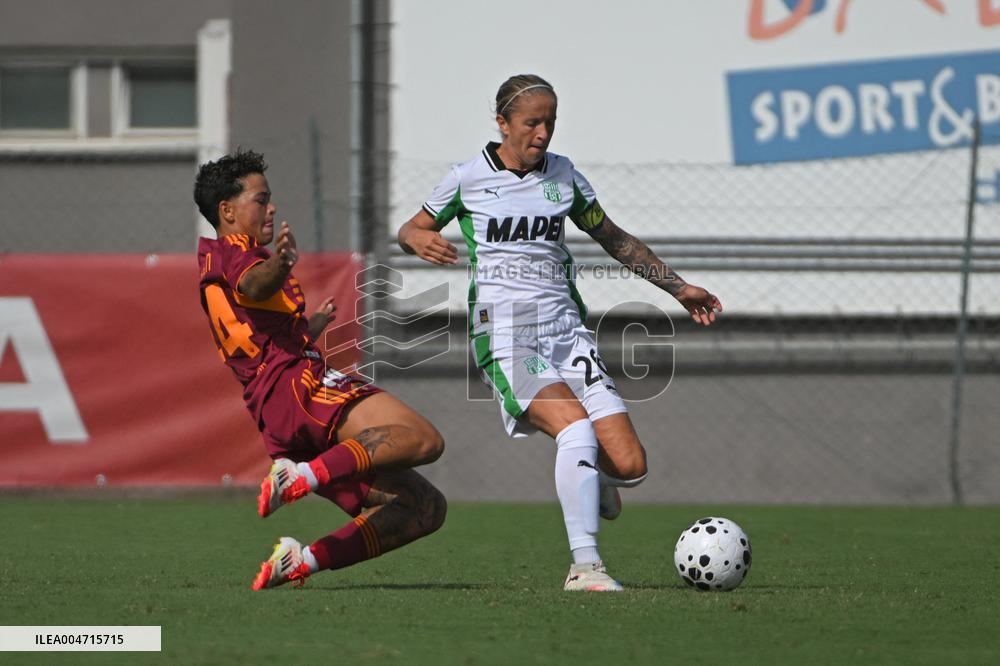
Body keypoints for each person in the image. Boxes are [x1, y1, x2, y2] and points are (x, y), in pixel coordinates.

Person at [397, 74, 721, 591]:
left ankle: (594, 483)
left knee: (633, 466)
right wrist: (417, 240)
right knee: (575, 430)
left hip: (567, 333)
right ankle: (585, 568)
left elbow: (614, 238)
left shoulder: (564, 177)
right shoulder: (467, 179)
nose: (543, 133)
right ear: (502, 123)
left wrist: (678, 289)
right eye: (532, 122)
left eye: (550, 121)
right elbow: (412, 226)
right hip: (505, 335)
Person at [194, 149, 447, 590]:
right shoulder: (238, 251)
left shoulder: (216, 259)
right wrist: (282, 262)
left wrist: (309, 326)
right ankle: (301, 477)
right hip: (297, 389)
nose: (271, 207)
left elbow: (254, 325)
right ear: (227, 211)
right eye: (261, 198)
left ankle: (300, 560)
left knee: (423, 506)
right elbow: (253, 282)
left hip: (278, 414)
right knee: (425, 439)